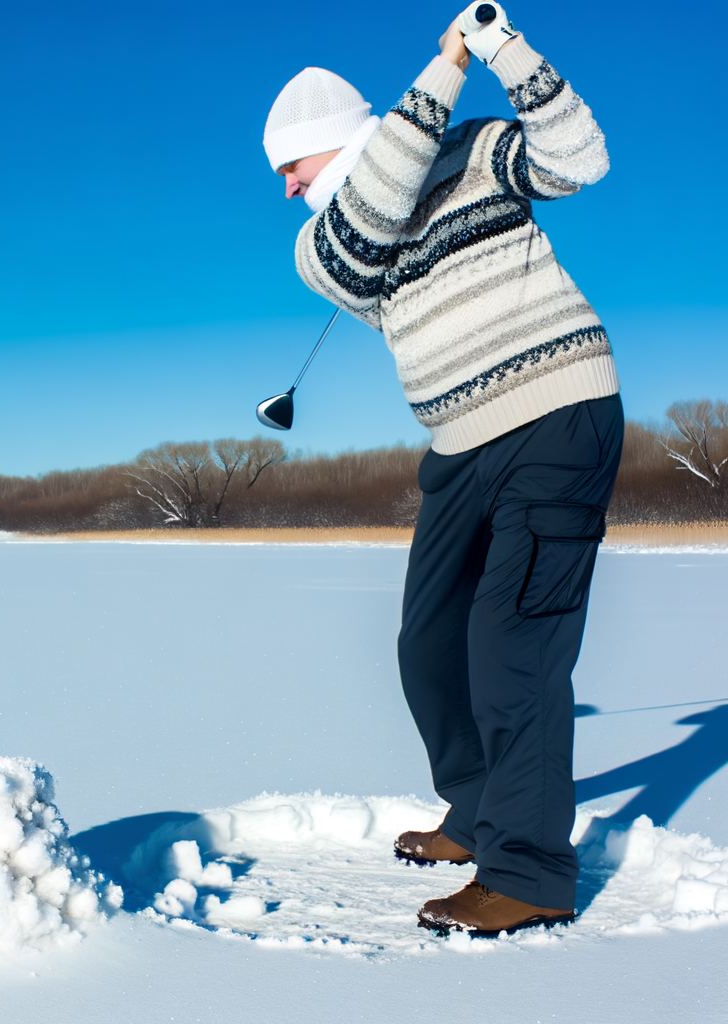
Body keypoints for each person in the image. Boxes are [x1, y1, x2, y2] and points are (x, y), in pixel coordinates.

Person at [262, 3, 623, 934]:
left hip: (557, 412)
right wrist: (441, 73)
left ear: (332, 143)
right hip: (459, 446)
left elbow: (582, 160)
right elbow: (368, 224)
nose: (285, 188)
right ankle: (477, 810)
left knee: (514, 654)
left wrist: (498, 47)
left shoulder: (474, 152)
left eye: (289, 167)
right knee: (429, 648)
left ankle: (532, 875)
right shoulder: (322, 244)